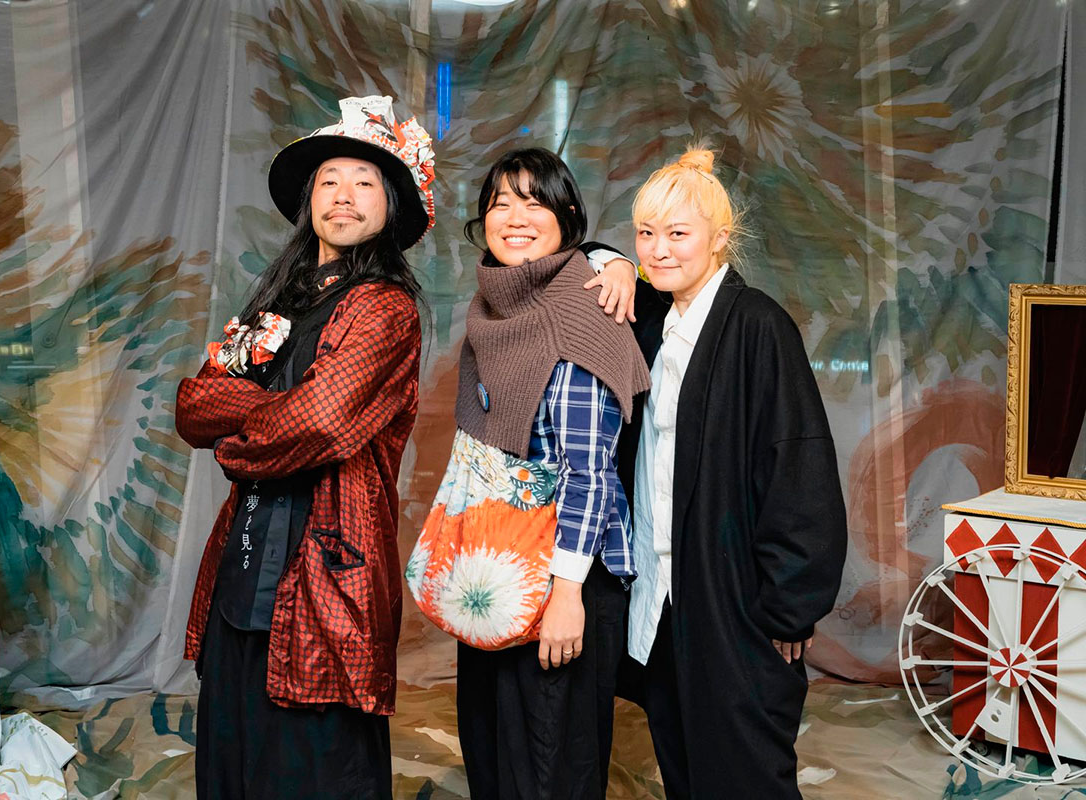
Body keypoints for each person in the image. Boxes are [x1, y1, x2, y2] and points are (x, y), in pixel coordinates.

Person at [175, 95, 435, 800]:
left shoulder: (385, 309)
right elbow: (192, 407)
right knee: (232, 754)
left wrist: (239, 432)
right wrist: (264, 416)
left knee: (315, 768)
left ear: (389, 205)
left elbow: (318, 423)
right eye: (329, 180)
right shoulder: (277, 305)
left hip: (328, 575)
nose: (343, 195)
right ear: (309, 200)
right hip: (244, 562)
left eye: (363, 181)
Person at [407, 147, 650, 800]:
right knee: (494, 754)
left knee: (550, 772)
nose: (514, 217)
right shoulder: (500, 309)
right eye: (499, 204)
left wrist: (567, 596)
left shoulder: (579, 312)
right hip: (500, 563)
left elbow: (590, 474)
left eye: (534, 202)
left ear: (567, 217)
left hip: (563, 575)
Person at [616, 146, 848, 798]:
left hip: (735, 606)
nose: (659, 250)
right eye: (646, 234)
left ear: (720, 238)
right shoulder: (653, 323)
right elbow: (584, 264)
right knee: (684, 769)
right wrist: (614, 262)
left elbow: (799, 471)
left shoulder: (758, 327)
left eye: (678, 233)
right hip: (661, 598)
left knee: (744, 777)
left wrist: (788, 609)